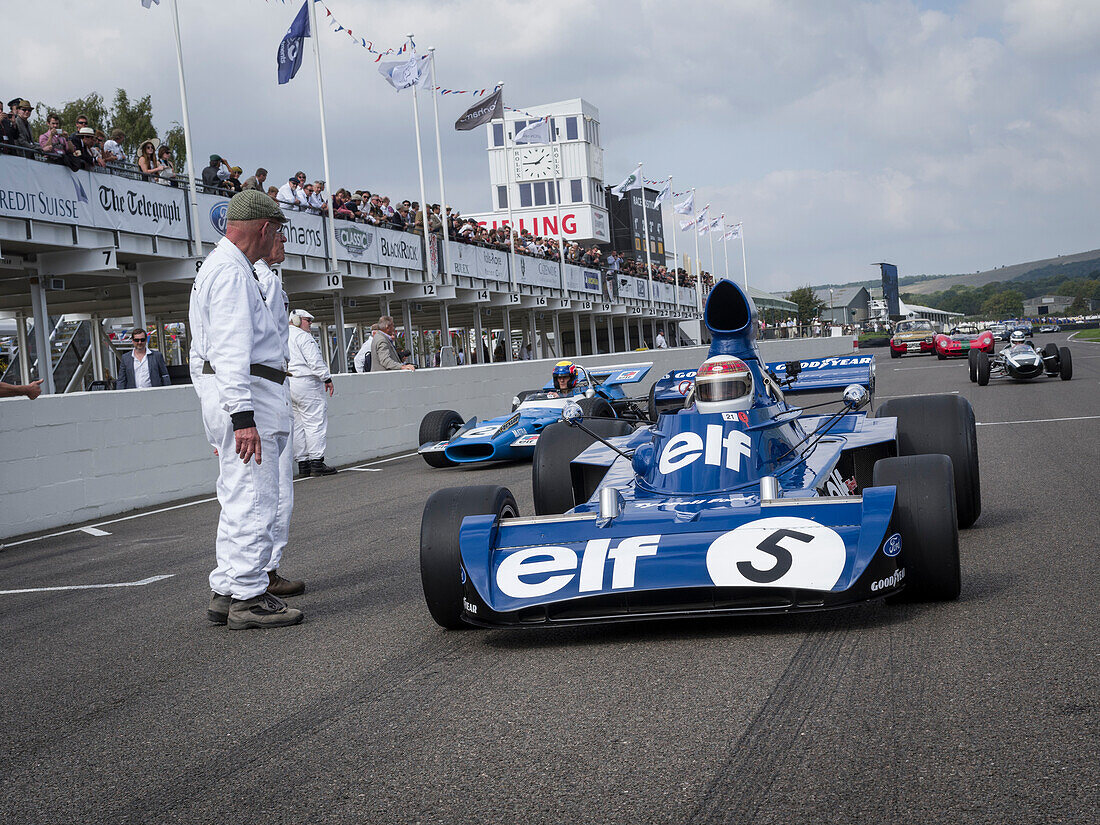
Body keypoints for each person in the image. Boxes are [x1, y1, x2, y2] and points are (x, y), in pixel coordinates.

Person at [188, 189, 301, 630]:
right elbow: (232, 351)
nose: (278, 236)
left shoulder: (220, 267)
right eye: (278, 229)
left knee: (237, 497)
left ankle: (227, 588)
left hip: (239, 394)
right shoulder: (233, 273)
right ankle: (250, 597)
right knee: (256, 498)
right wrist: (243, 419)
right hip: (247, 396)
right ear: (265, 228)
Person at [254, 224, 305, 598]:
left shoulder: (264, 277)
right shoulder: (257, 278)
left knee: (271, 491)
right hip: (263, 390)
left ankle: (262, 571)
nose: (285, 242)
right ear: (265, 234)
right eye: (280, 235)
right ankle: (262, 574)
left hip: (272, 387)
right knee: (270, 493)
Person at [287, 309, 337, 476]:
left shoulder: (282, 335)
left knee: (298, 424)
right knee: (315, 422)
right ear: (296, 320)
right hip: (306, 383)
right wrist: (327, 378)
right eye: (307, 320)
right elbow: (315, 361)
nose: (310, 324)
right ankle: (316, 462)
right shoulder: (303, 337)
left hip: (289, 383)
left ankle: (303, 464)